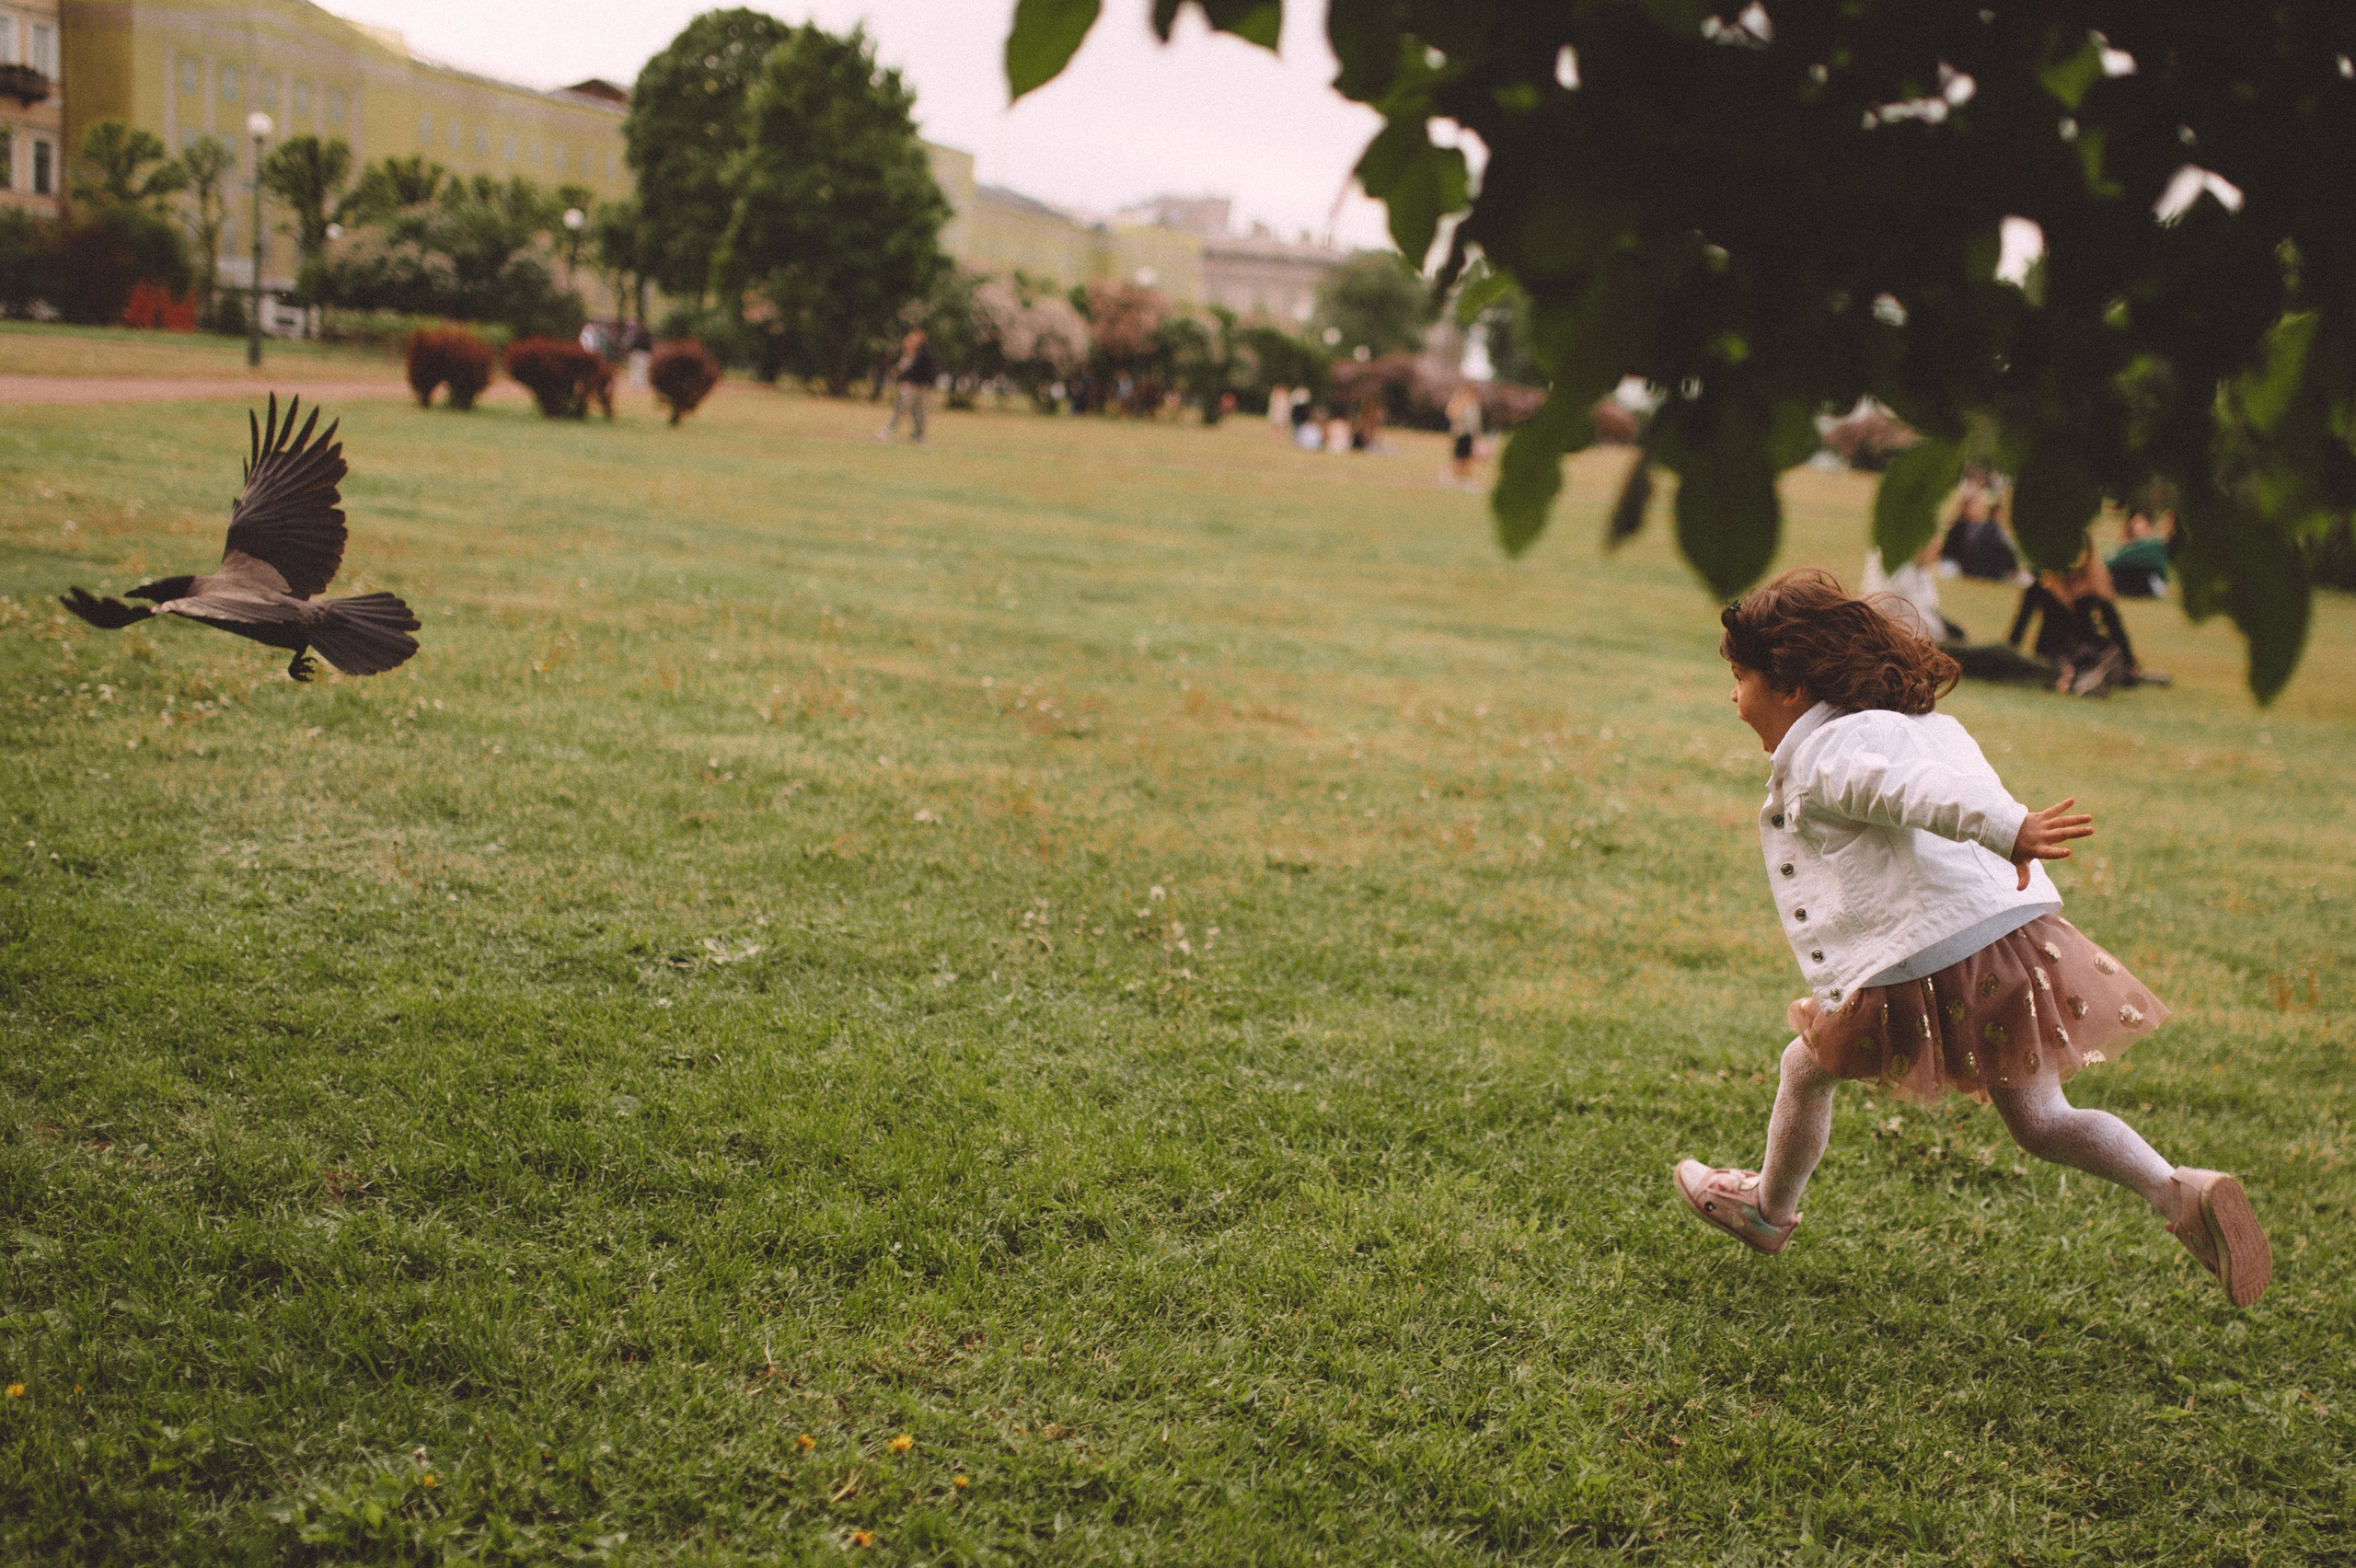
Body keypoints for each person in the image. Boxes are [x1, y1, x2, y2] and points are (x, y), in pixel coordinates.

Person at [1673, 570, 2269, 1306]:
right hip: (2007, 941)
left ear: (1791, 686)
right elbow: (1946, 785)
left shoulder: (1830, 753)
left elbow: (1911, 793)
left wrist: (2007, 827)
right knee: (2043, 1120)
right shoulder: (1920, 724)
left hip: (1922, 953)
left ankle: (1767, 1211)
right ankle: (2180, 1192)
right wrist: (2004, 828)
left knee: (1804, 1068)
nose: (1734, 698)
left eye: (1740, 679)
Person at [2007, 544, 2147, 694]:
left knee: (2102, 655)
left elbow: (2114, 625)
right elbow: (2020, 625)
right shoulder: (2042, 584)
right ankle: (2083, 677)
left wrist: (2130, 662)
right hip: (2053, 650)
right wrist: (2010, 659)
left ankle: (2092, 675)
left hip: (2086, 646)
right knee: (2066, 664)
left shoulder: (2093, 584)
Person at [1939, 490, 2022, 581]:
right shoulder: (1958, 528)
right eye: (1970, 505)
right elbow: (1949, 552)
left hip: (1988, 574)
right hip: (1963, 571)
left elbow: (2004, 553)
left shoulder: (1992, 529)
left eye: (1975, 505)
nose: (1972, 508)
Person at [879, 328, 939, 443]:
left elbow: (915, 370)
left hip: (919, 386)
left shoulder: (924, 353)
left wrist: (904, 377)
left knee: (911, 409)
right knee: (911, 409)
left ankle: (896, 431)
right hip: (915, 385)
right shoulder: (912, 354)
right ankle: (916, 434)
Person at [2107, 511, 2172, 598]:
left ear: (2148, 524)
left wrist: (2104, 565)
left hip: (2153, 584)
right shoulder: (2137, 543)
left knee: (2118, 572)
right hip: (2145, 580)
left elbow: (2121, 559)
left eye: (2138, 521)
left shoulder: (2153, 543)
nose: (2133, 524)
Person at [1445, 383, 1484, 487]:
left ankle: (1464, 479)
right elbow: (1454, 416)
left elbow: (1475, 423)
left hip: (1468, 434)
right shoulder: (1463, 404)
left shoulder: (1472, 405)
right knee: (1460, 457)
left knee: (1466, 459)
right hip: (1463, 435)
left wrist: (1476, 436)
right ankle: (1448, 474)